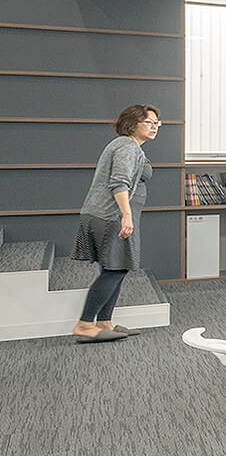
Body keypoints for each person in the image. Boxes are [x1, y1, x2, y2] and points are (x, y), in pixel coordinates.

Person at [71, 104, 159, 344]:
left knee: (115, 269)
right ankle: (85, 324)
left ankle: (104, 322)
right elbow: (119, 182)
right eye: (149, 122)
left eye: (157, 123)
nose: (154, 127)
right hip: (111, 216)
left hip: (107, 215)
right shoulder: (127, 146)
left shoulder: (130, 147)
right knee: (115, 269)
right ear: (132, 124)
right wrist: (126, 215)